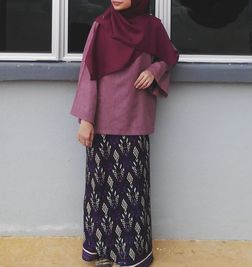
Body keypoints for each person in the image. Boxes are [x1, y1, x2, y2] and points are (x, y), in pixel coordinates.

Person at [70, 0, 179, 266]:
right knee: (101, 189)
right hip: (102, 121)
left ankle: (131, 254)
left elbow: (169, 55)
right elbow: (88, 73)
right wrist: (86, 119)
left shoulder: (152, 27)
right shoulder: (101, 25)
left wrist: (155, 70)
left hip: (134, 119)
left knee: (132, 190)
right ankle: (103, 251)